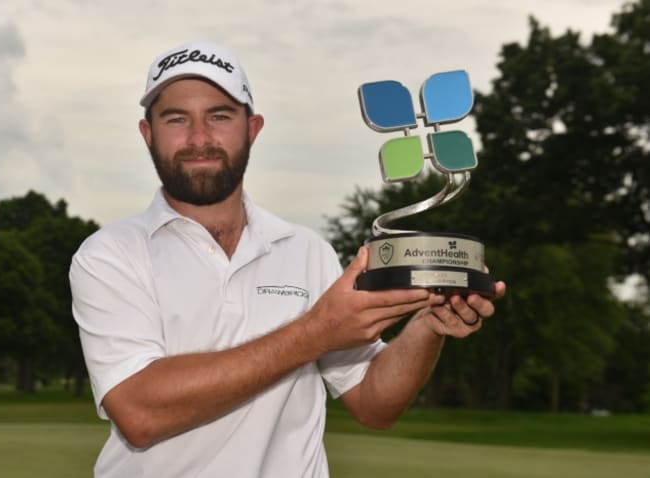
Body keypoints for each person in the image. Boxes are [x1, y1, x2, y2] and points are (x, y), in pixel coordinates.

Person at [69, 40, 506, 477]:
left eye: (219, 116)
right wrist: (317, 332)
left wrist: (427, 326)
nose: (199, 138)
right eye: (176, 119)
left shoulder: (306, 250)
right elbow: (140, 413)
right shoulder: (109, 256)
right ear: (148, 134)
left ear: (252, 128)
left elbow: (375, 404)